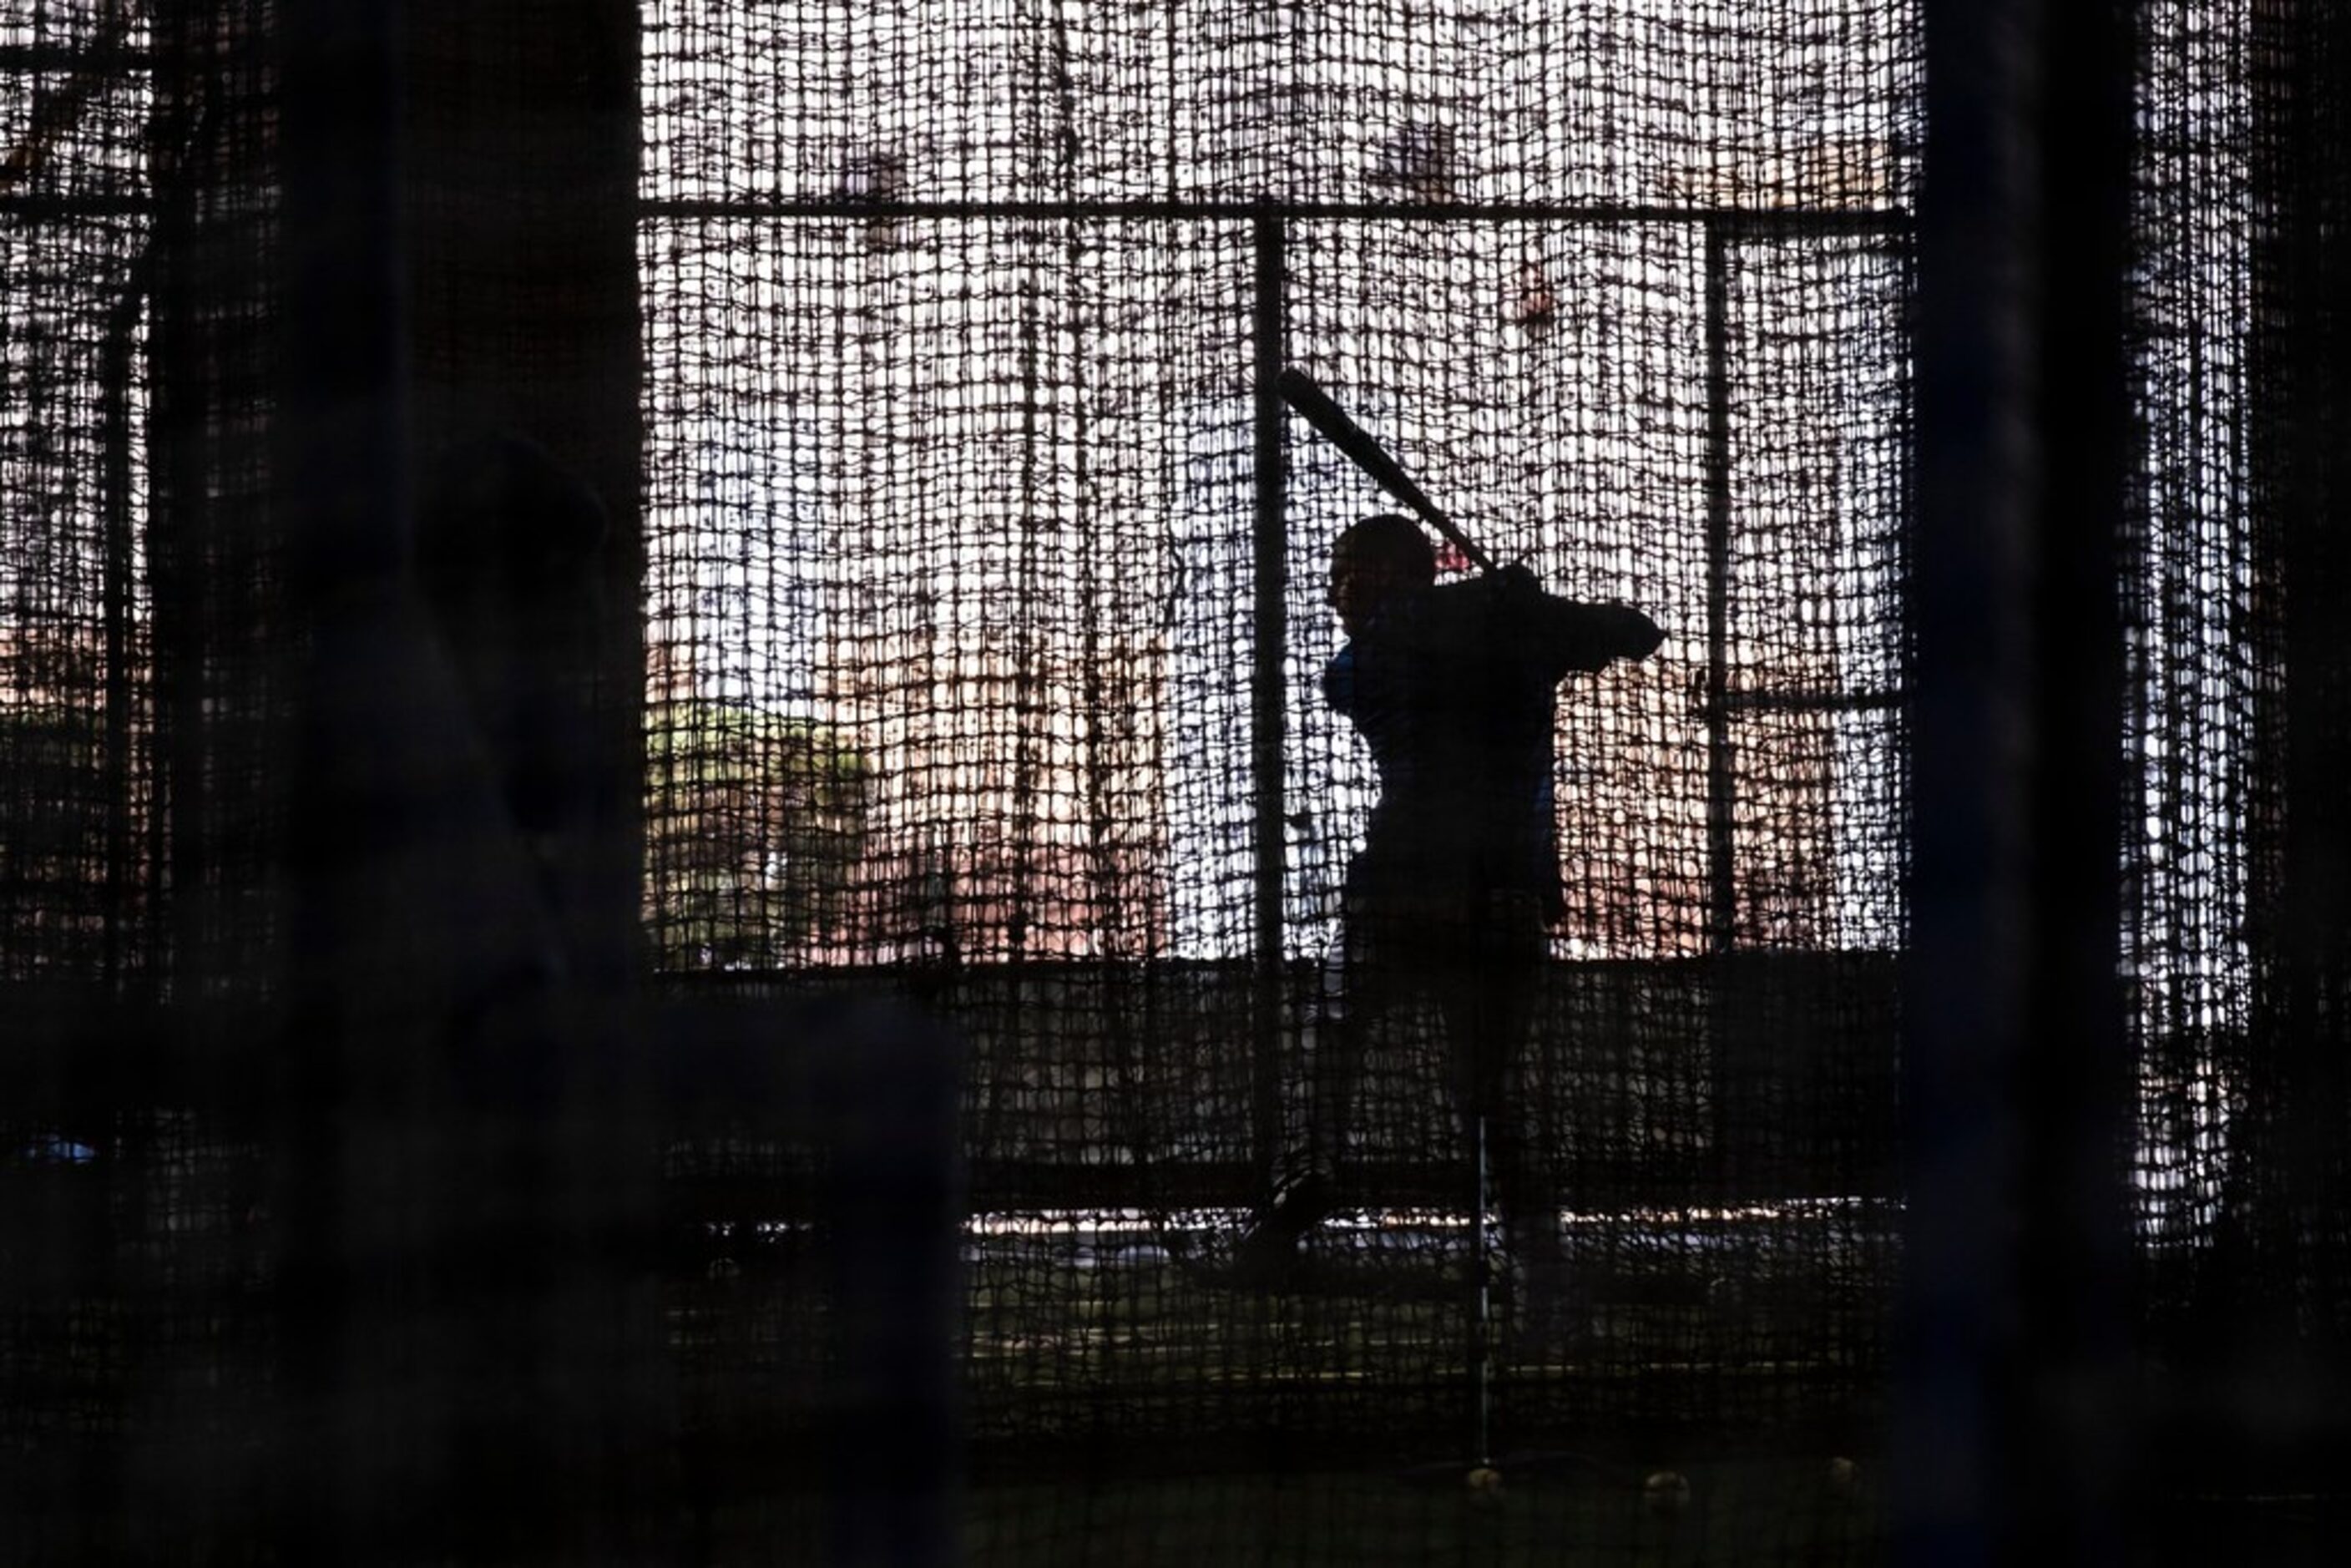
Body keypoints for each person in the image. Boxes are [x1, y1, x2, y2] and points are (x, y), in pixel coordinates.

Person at [1234, 513, 1665, 1344]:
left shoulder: (1491, 632)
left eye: (1354, 574)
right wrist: (1503, 605)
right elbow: (1422, 639)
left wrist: (1525, 605)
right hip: (1420, 896)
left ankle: (1536, 1273)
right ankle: (1297, 1214)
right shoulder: (1363, 667)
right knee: (1337, 1060)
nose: (1337, 593)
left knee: (1479, 1098)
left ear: (1399, 578)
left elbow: (1636, 632)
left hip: (1462, 901)